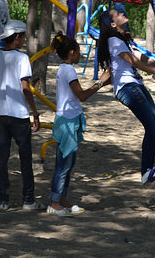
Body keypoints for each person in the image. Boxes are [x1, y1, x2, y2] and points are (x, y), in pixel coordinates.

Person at [97, 9, 155, 184]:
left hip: (136, 85)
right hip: (127, 88)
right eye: (117, 14)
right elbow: (134, 63)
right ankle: (146, 170)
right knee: (154, 127)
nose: (122, 12)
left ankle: (149, 169)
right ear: (112, 24)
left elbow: (143, 58)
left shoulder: (124, 39)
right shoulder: (113, 40)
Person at [46, 32, 111, 216]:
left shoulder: (64, 69)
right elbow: (81, 95)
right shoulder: (68, 70)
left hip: (69, 119)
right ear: (72, 52)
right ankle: (54, 202)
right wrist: (101, 82)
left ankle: (62, 199)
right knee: (64, 164)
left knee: (68, 163)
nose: (80, 55)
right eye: (79, 51)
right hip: (67, 121)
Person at [0, 20, 44, 211]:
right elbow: (26, 88)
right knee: (25, 159)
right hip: (19, 114)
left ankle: (2, 199)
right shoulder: (22, 59)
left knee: (2, 158)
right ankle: (28, 199)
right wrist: (35, 113)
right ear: (17, 37)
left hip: (1, 113)